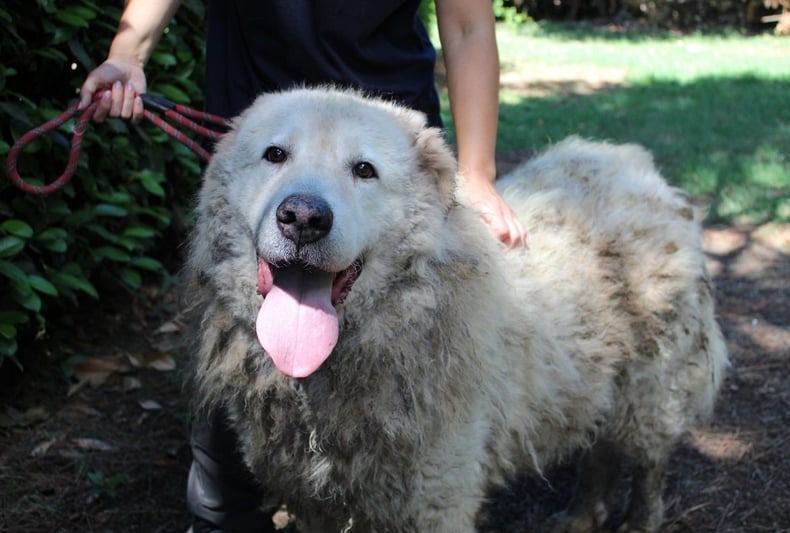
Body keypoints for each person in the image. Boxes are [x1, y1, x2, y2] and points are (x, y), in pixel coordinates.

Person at [79, 1, 527, 531]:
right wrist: (128, 52)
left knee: (411, 402)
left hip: (386, 140)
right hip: (257, 121)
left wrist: (475, 172)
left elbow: (468, 24)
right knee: (233, 414)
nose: (305, 212)